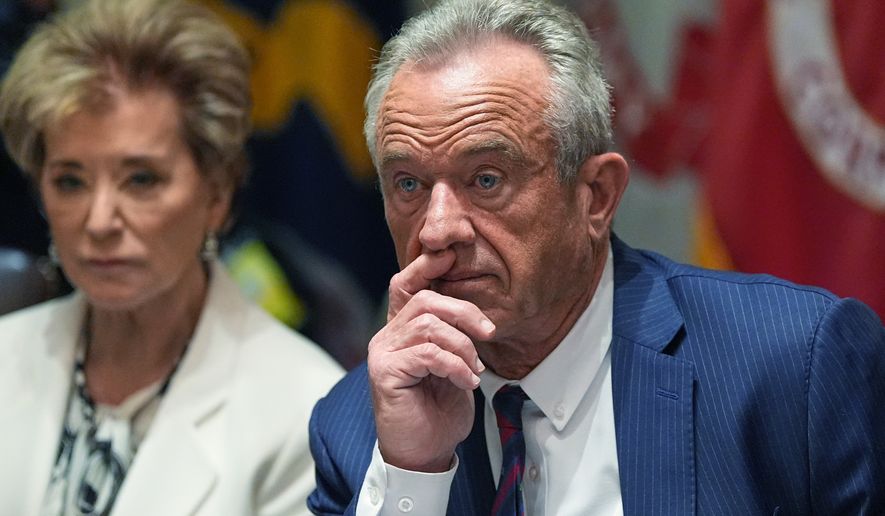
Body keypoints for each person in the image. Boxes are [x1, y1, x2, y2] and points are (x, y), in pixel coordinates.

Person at [307, 0, 885, 514]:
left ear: (597, 197)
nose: (436, 230)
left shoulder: (792, 370)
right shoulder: (360, 429)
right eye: (407, 185)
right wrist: (415, 479)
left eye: (486, 179)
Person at [0, 0, 343, 514]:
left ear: (217, 196)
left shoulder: (307, 410)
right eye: (70, 181)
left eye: (141, 180)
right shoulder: (7, 353)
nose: (98, 222)